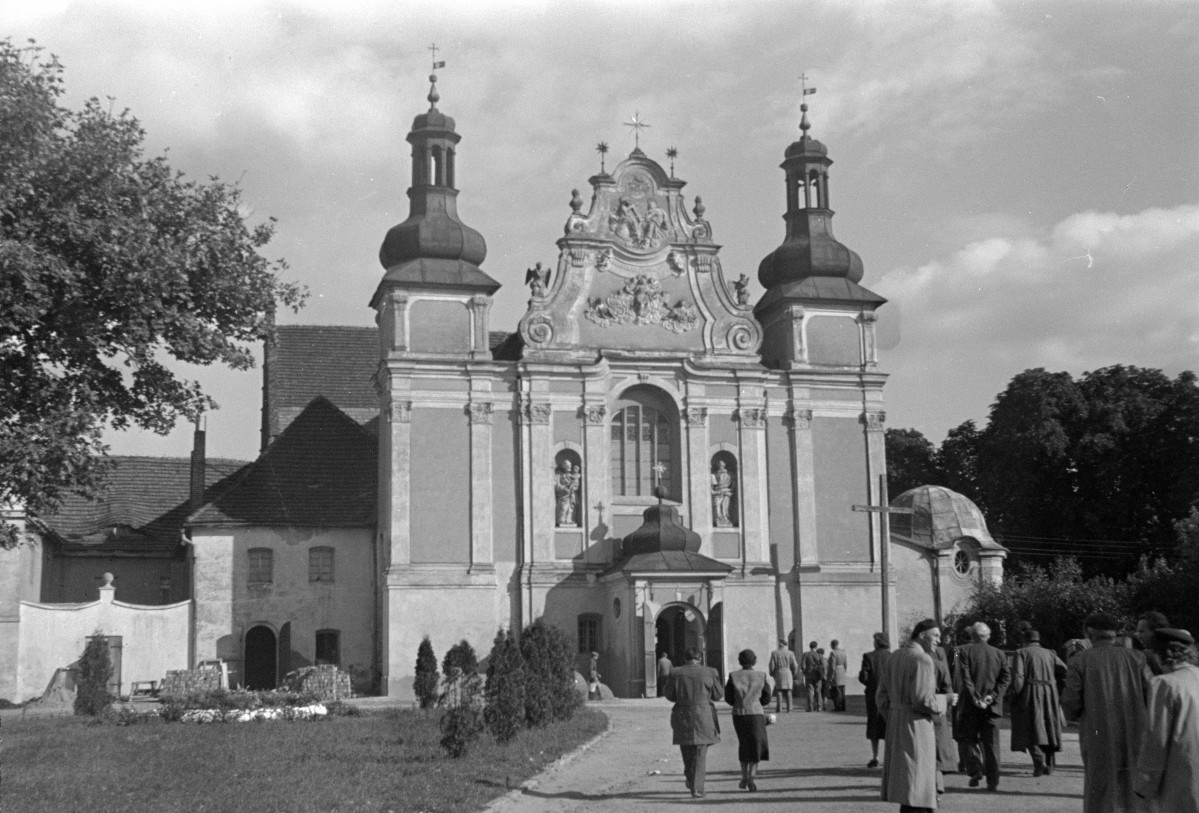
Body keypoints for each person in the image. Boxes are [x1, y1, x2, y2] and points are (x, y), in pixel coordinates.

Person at [1062, 612, 1149, 813]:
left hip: (1097, 734)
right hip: (1135, 733)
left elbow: (1071, 702)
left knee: (1099, 789)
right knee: (1133, 788)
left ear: (1089, 633)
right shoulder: (1137, 658)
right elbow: (1151, 693)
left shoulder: (1080, 660)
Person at [878, 618, 944, 813]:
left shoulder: (894, 657)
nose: (938, 640)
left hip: (896, 723)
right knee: (918, 783)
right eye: (936, 635)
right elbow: (923, 700)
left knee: (907, 783)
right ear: (922, 635)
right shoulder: (923, 659)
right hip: (917, 725)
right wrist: (944, 701)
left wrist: (893, 716)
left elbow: (881, 697)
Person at [1134, 628, 1199, 812]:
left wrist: (1145, 782)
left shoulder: (1164, 683)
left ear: (1160, 654)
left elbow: (1156, 739)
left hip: (1180, 775)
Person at [953, 621, 1011, 792]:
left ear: (972, 636)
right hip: (992, 708)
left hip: (970, 706)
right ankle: (993, 782)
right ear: (988, 636)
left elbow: (966, 677)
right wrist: (990, 698)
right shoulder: (999, 654)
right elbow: (1006, 679)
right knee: (992, 745)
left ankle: (975, 769)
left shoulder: (963, 651)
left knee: (966, 739)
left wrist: (975, 698)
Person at [664, 646, 722, 798]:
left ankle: (691, 777)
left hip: (683, 713)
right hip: (704, 715)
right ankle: (697, 788)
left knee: (686, 748)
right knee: (700, 752)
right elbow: (718, 694)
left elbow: (669, 695)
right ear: (700, 658)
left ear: (685, 658)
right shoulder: (711, 672)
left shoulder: (675, 672)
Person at [1009, 627, 1067, 776]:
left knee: (1029, 727)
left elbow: (1018, 678)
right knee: (1049, 726)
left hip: (1030, 692)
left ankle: (1039, 763)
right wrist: (1055, 684)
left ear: (1024, 641)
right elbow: (1065, 670)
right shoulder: (1050, 653)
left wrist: (1014, 695)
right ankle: (1050, 764)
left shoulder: (1021, 653)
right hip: (1050, 693)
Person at [725, 648, 772, 793]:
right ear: (754, 661)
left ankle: (744, 776)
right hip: (756, 713)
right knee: (757, 746)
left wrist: (740, 703)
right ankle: (752, 777)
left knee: (743, 744)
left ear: (740, 661)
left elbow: (728, 697)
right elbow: (767, 697)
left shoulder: (733, 676)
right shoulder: (761, 675)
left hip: (739, 714)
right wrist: (755, 703)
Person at [927, 641, 958, 792]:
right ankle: (938, 783)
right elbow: (949, 686)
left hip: (921, 710)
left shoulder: (913, 662)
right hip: (939, 708)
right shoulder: (942, 661)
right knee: (938, 749)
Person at [860, 632, 892, 768]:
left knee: (873, 725)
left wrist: (871, 684)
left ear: (877, 642)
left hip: (873, 695)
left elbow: (863, 677)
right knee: (889, 725)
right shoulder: (892, 657)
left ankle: (875, 756)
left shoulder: (868, 657)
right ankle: (889, 756)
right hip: (890, 696)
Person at [768, 638, 798, 713]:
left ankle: (779, 708)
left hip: (779, 672)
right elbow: (795, 665)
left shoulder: (774, 653)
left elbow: (771, 665)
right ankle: (789, 708)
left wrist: (771, 672)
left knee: (779, 690)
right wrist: (794, 673)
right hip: (788, 672)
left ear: (779, 644)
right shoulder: (790, 653)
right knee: (788, 691)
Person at [1136, 611, 1170, 676]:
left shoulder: (1146, 656)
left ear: (1155, 632)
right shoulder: (1177, 653)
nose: (1138, 636)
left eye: (1142, 632)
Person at [801, 640, 825, 711]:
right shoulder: (819, 655)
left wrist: (805, 672)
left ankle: (810, 707)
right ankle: (819, 707)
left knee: (810, 691)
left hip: (809, 674)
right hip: (817, 674)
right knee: (818, 691)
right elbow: (822, 665)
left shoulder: (805, 654)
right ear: (816, 647)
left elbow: (803, 665)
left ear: (810, 646)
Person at [711, 460, 734, 527]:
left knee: (724, 506)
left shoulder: (729, 473)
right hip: (718, 492)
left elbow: (733, 485)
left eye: (722, 465)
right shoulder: (714, 474)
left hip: (726, 492)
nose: (721, 466)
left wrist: (728, 490)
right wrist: (714, 491)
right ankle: (719, 519)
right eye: (720, 465)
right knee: (717, 506)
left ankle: (725, 519)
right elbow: (712, 486)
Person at [827, 639, 849, 711]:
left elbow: (832, 666)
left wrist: (831, 676)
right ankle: (843, 706)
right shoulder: (843, 652)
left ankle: (837, 707)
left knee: (836, 691)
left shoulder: (833, 653)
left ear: (833, 645)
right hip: (842, 670)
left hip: (836, 671)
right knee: (842, 691)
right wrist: (844, 671)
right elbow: (845, 664)